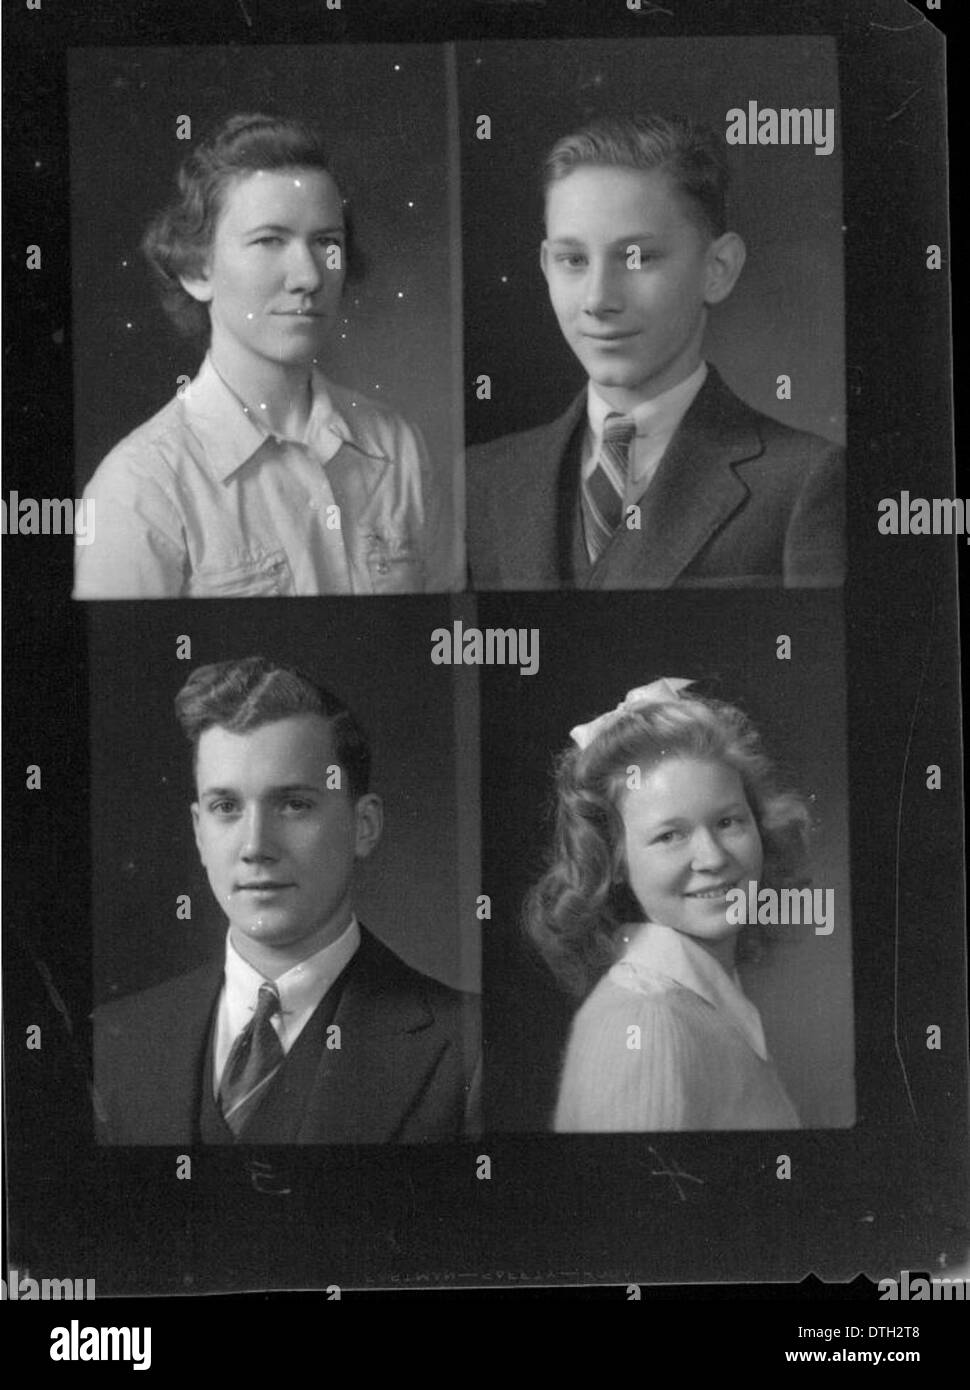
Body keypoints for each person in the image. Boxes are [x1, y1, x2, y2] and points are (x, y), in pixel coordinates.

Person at [93, 657, 479, 1144]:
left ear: (364, 826)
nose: (255, 846)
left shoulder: (468, 1043)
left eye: (294, 804)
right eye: (226, 808)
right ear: (198, 831)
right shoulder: (112, 1039)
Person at [74, 113, 458, 598]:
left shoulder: (398, 447)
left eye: (326, 243)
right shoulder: (138, 490)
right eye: (269, 241)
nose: (309, 277)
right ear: (197, 269)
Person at [467, 113, 845, 590]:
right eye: (574, 260)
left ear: (718, 268)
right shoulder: (479, 479)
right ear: (546, 266)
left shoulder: (804, 480)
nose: (598, 299)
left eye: (638, 258)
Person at [524, 678, 809, 1131]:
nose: (713, 858)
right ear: (613, 859)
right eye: (669, 835)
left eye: (728, 821)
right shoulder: (647, 1024)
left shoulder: (702, 1002)